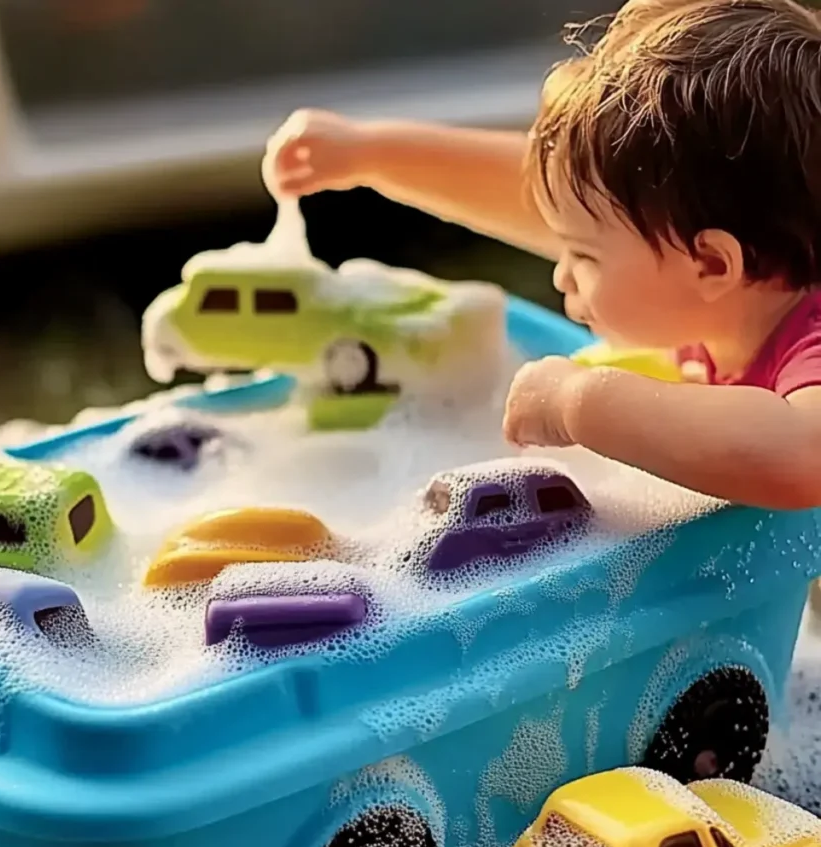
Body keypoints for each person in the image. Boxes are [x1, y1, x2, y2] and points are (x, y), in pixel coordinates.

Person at [264, 0, 821, 511]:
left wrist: (577, 402)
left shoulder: (811, 339)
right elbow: (544, 200)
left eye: (584, 256)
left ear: (713, 264)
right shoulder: (733, 271)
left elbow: (803, 458)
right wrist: (371, 155)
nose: (561, 273)